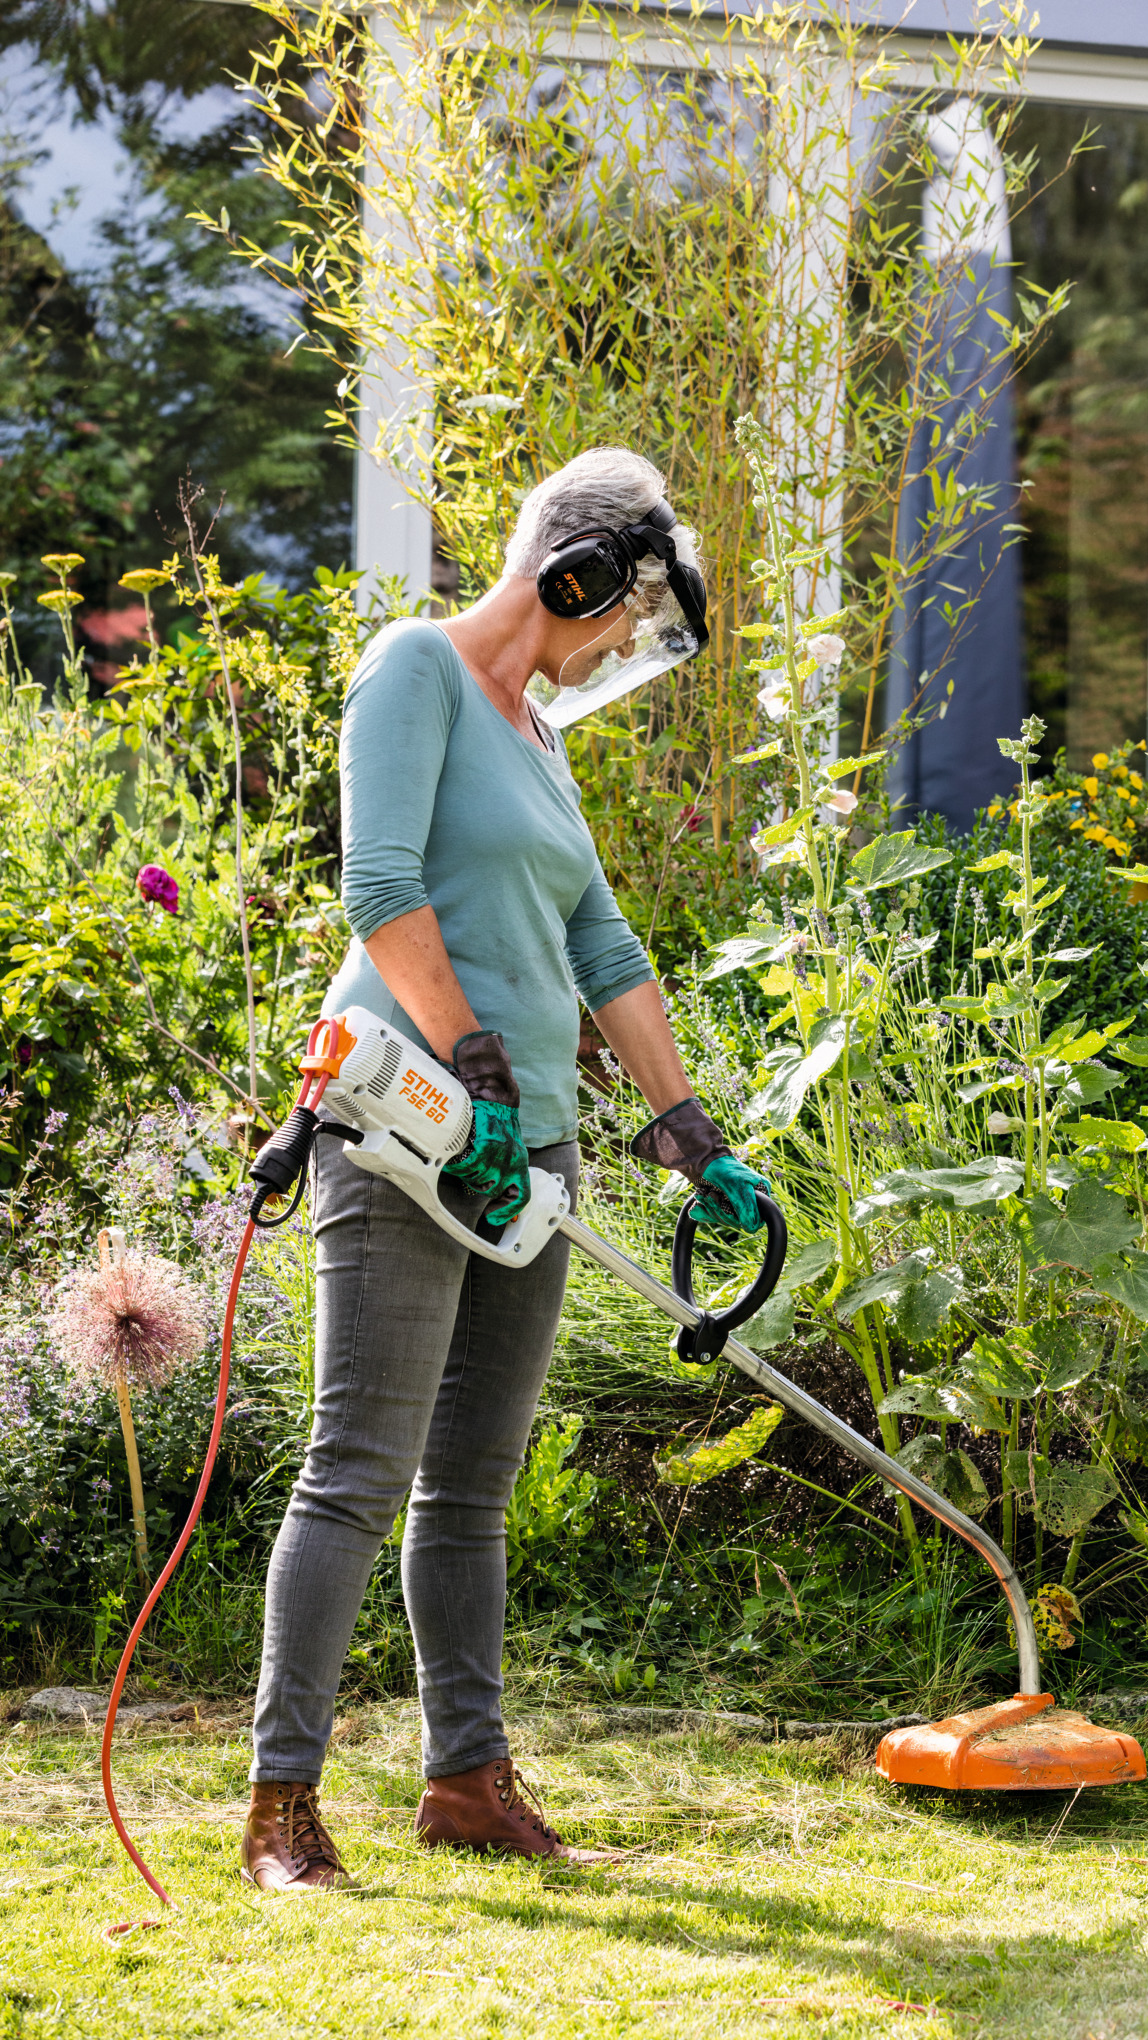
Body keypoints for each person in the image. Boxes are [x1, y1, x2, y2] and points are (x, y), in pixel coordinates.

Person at [241, 449, 767, 1892]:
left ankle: (467, 1779)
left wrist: (685, 1124)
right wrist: (471, 1061)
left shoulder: (538, 744)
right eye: (621, 619)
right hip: (409, 1117)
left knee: (471, 1490)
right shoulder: (413, 669)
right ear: (577, 576)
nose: (614, 652)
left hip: (525, 1149)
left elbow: (600, 948)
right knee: (357, 1468)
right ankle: (281, 1807)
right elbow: (380, 883)